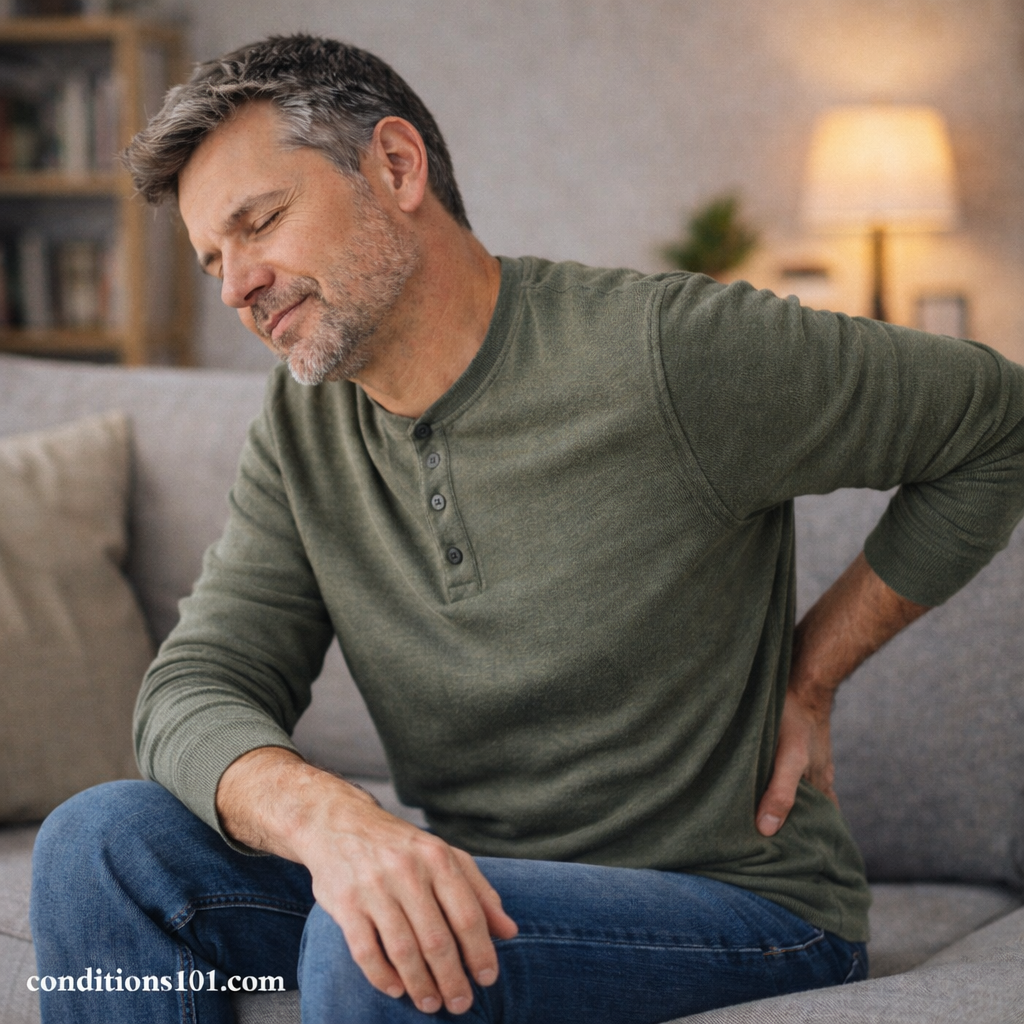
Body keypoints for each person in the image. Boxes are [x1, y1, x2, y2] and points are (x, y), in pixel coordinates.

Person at [30, 34, 1024, 1024]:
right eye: (213, 258)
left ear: (395, 165)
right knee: (102, 844)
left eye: (260, 222)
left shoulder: (664, 354)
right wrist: (330, 820)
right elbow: (194, 686)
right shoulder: (304, 430)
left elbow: (996, 425)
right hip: (500, 887)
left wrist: (813, 671)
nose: (236, 285)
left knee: (384, 947)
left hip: (742, 906)